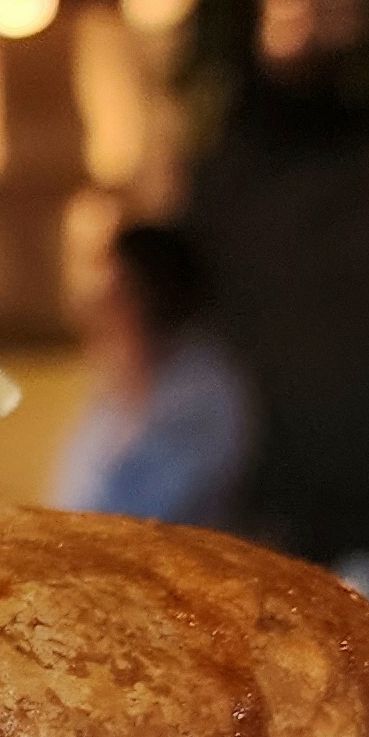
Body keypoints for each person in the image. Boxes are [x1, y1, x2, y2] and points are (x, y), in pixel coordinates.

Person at [49, 219, 256, 531]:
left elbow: (128, 517)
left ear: (152, 301)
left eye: (117, 295)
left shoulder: (202, 397)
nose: (97, 311)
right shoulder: (113, 394)